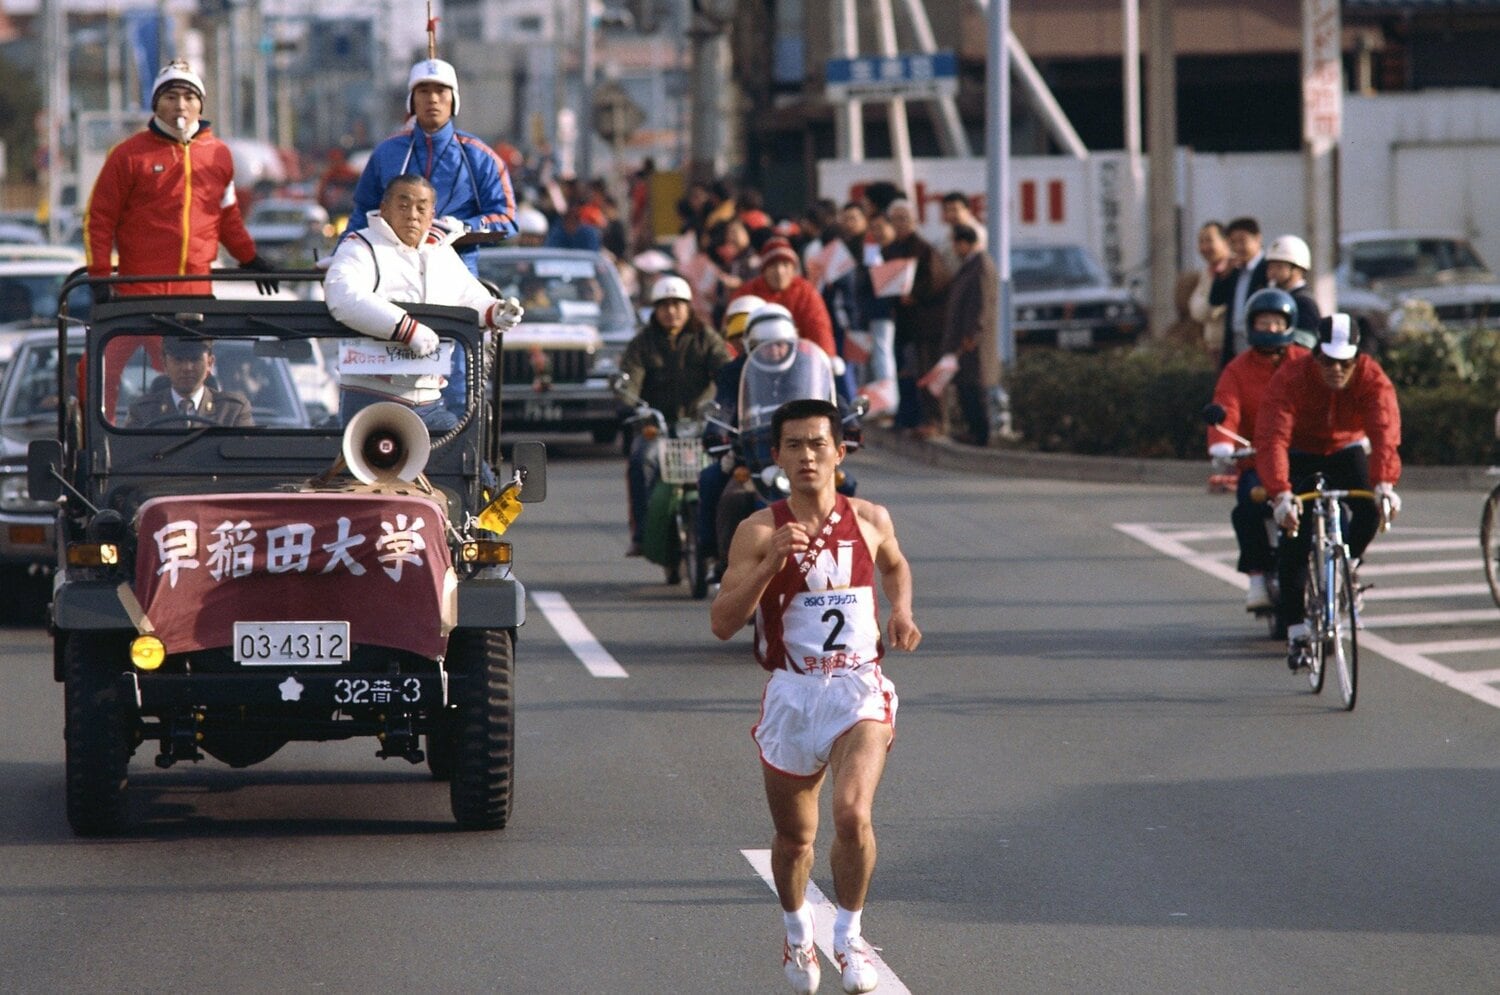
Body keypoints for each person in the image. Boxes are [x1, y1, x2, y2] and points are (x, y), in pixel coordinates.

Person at [710, 397, 920, 995]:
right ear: (775, 455)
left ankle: (849, 935)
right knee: (796, 838)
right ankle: (798, 930)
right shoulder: (759, 530)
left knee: (852, 814)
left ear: (840, 452)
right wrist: (769, 566)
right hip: (792, 694)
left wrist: (901, 611)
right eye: (794, 445)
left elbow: (896, 566)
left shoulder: (871, 517)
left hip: (858, 688)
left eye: (818, 444)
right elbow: (723, 622)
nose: (807, 456)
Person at [1254, 313, 1402, 669]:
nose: (1337, 370)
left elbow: (1384, 430)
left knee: (1369, 509)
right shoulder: (1291, 377)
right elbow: (1272, 436)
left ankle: (1347, 565)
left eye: (1345, 363)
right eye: (1329, 362)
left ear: (1357, 358)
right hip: (1301, 452)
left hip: (1345, 449)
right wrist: (1280, 494)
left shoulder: (1371, 377)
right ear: (1315, 355)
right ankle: (1297, 633)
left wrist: (1384, 484)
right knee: (1294, 537)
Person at [325, 174, 524, 431]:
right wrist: (405, 329)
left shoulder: (440, 251)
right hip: (371, 396)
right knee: (373, 471)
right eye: (403, 205)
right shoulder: (359, 246)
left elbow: (467, 297)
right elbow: (343, 296)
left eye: (421, 207)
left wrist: (495, 312)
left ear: (432, 215)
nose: (412, 215)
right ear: (384, 209)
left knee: (469, 466)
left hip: (429, 400)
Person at [84, 59, 276, 301]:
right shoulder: (128, 154)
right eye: (171, 97)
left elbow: (227, 217)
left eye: (189, 97)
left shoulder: (219, 155)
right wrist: (99, 275)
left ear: (200, 105)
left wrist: (249, 257)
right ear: (156, 104)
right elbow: (99, 218)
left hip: (196, 295)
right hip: (140, 297)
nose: (181, 105)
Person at [348, 58, 518, 276]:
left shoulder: (480, 157)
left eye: (441, 91)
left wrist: (463, 227)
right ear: (412, 101)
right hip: (392, 274)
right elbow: (363, 213)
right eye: (424, 91)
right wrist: (343, 254)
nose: (433, 99)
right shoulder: (386, 153)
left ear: (454, 100)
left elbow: (507, 218)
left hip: (458, 276)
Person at [1206, 288, 1309, 610]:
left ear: (1290, 324)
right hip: (1257, 460)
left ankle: (1343, 566)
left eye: (1277, 322)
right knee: (1248, 508)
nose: (1270, 329)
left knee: (1331, 503)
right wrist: (1222, 446)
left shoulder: (1306, 362)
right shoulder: (1237, 369)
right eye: (1263, 321)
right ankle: (1256, 577)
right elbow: (1227, 407)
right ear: (1251, 325)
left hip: (1305, 455)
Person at [619, 274, 731, 557]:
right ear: (655, 310)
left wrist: (728, 398)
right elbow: (629, 379)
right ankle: (642, 534)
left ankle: (727, 535)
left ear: (689, 307)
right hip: (658, 426)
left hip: (700, 424)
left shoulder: (706, 337)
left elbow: (725, 370)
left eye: (678, 304)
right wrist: (632, 403)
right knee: (641, 460)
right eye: (664, 305)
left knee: (729, 466)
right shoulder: (643, 342)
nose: (671, 311)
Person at [730, 237, 842, 381]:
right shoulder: (747, 293)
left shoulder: (806, 293)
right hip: (755, 369)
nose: (779, 271)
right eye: (773, 266)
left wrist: (825, 361)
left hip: (801, 365)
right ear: (763, 270)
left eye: (785, 265)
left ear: (793, 269)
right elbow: (734, 334)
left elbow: (819, 329)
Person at [883, 199, 949, 437]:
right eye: (895, 219)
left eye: (904, 219)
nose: (900, 224)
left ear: (914, 221)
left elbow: (937, 282)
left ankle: (933, 420)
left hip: (924, 323)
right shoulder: (890, 249)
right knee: (905, 372)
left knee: (926, 371)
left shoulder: (924, 248)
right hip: (901, 324)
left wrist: (915, 295)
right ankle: (907, 417)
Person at [937, 223, 1000, 446]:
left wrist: (973, 334)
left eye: (956, 243)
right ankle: (972, 431)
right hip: (964, 338)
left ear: (964, 243)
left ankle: (980, 434)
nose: (954, 248)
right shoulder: (970, 265)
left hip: (973, 340)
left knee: (975, 387)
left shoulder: (981, 265)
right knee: (966, 386)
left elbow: (982, 305)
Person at [124, 337, 253, 428]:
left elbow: (245, 462)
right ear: (164, 364)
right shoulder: (143, 412)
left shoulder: (232, 411)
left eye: (195, 359)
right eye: (178, 360)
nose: (187, 368)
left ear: (210, 363)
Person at [1210, 216, 1268, 368]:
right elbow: (1215, 300)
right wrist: (1223, 275)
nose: (1238, 247)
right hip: (1235, 338)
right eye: (1233, 243)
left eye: (1242, 241)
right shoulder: (1234, 270)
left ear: (1258, 239)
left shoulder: (1267, 268)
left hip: (1259, 338)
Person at [1181, 220, 1231, 357]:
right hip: (1212, 347)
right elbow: (1195, 310)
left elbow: (1207, 309)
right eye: (1201, 242)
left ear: (1226, 241)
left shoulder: (1231, 271)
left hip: (1230, 347)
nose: (1204, 247)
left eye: (1209, 241)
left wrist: (1205, 307)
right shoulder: (1207, 272)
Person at [1262, 234, 1321, 342]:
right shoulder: (1273, 295)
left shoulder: (1305, 302)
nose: (1272, 272)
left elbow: (1307, 342)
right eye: (1270, 266)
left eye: (1279, 266)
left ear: (1297, 269)